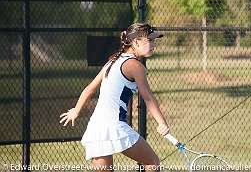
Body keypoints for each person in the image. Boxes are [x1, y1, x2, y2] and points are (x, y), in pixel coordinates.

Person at [59, 22, 170, 172]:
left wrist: (76, 111)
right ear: (136, 42)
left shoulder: (113, 61)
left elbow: (88, 89)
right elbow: (148, 98)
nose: (154, 44)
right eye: (150, 40)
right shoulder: (136, 66)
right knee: (152, 162)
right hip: (114, 126)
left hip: (96, 127)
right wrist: (162, 122)